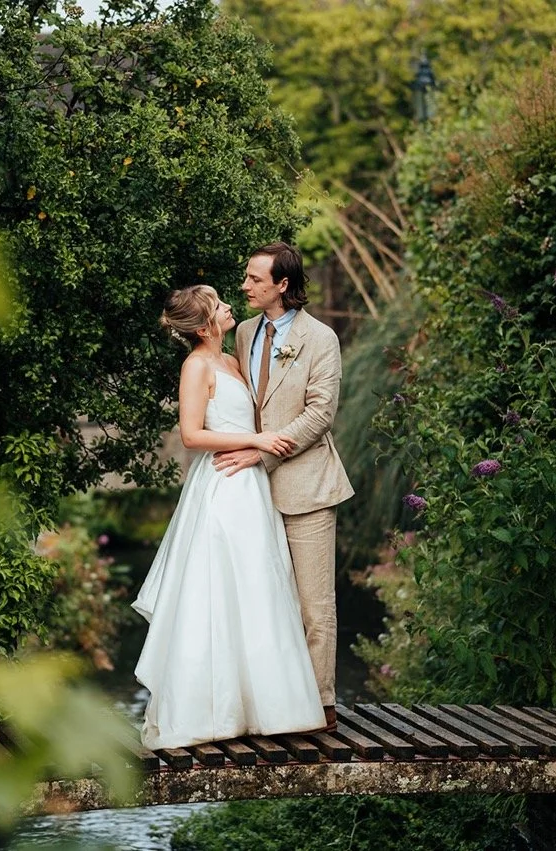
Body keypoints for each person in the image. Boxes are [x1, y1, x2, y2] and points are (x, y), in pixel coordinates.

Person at [132, 285, 326, 750]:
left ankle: (267, 708)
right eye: (219, 306)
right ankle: (212, 709)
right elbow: (192, 434)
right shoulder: (196, 366)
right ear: (204, 327)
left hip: (251, 487)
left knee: (260, 585)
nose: (228, 307)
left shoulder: (233, 362)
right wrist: (257, 442)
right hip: (221, 487)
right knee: (219, 589)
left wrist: (259, 446)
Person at [213, 242, 354, 732]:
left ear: (282, 285)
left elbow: (320, 413)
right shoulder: (245, 333)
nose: (245, 286)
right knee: (266, 602)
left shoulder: (322, 339)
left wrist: (263, 451)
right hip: (250, 491)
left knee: (315, 606)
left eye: (254, 279)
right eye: (247, 278)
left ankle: (320, 707)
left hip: (307, 484)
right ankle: (274, 707)